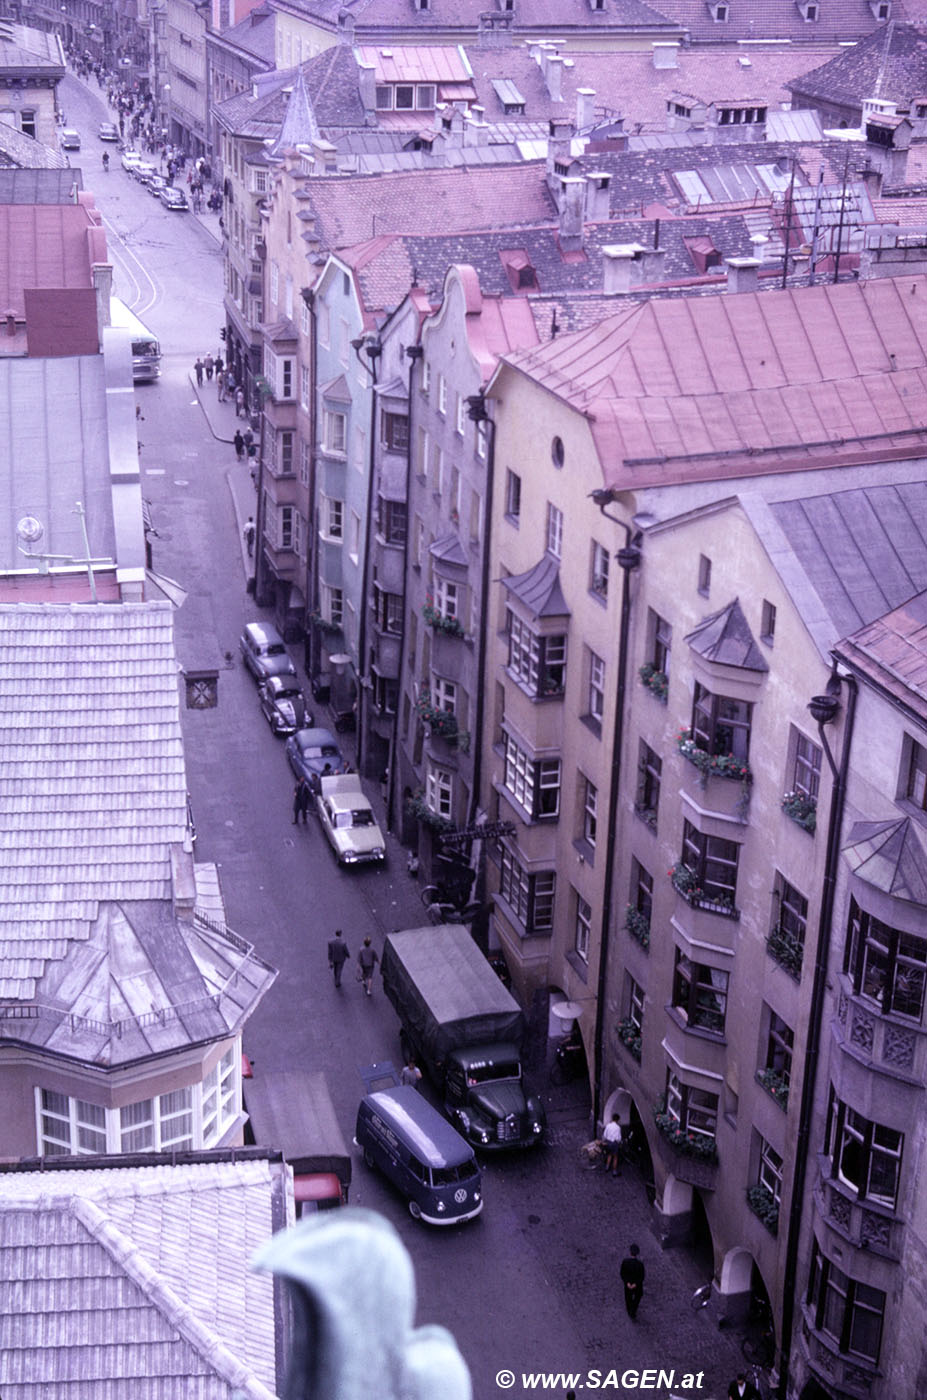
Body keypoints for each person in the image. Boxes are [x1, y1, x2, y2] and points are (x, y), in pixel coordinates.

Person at [620, 1244, 645, 1320]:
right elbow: (642, 1276)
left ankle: (629, 1309)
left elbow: (622, 1273)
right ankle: (633, 1311)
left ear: (630, 1252)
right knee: (638, 1296)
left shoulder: (625, 1262)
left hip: (628, 1284)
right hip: (637, 1286)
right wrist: (635, 1284)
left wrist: (627, 1282)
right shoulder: (640, 1265)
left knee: (628, 1297)